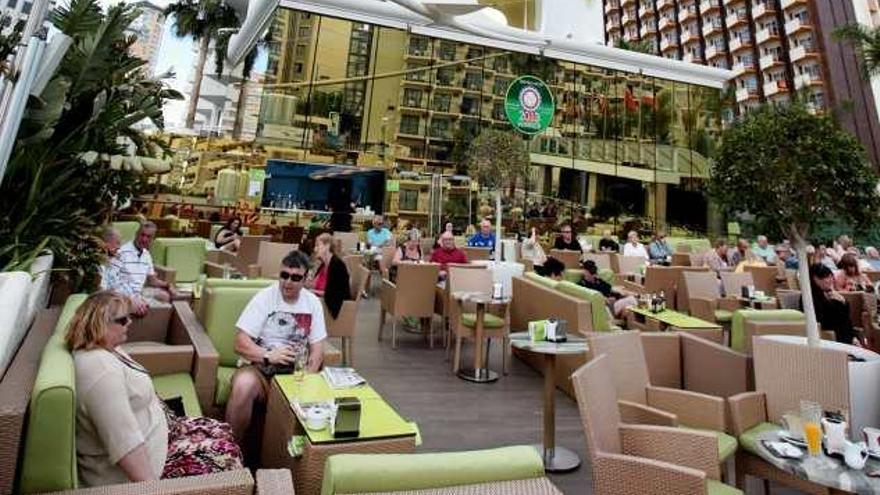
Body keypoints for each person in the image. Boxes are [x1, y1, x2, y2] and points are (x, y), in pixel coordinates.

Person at [68, 291, 242, 487]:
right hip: (146, 466)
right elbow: (125, 444)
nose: (130, 323)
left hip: (160, 435)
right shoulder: (100, 371)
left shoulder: (107, 347)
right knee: (226, 463)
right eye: (123, 320)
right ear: (100, 324)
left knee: (221, 431)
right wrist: (155, 488)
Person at [226, 250, 326, 440]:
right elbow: (239, 342)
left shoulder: (312, 303)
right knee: (243, 385)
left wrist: (309, 375)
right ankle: (231, 449)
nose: (288, 282)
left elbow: (318, 347)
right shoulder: (264, 298)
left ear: (306, 279)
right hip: (260, 371)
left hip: (295, 374)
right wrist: (268, 355)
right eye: (284, 275)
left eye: (295, 278)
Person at [117, 222, 177, 304]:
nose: (144, 239)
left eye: (148, 237)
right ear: (136, 234)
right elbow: (113, 281)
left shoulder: (146, 255)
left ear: (152, 239)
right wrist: (131, 297)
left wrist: (168, 285)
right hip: (123, 294)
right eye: (142, 235)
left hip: (139, 292)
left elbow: (152, 281)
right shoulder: (122, 252)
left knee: (165, 296)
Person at [99, 227, 148, 316]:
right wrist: (130, 302)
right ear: (106, 244)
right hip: (116, 304)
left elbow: (122, 283)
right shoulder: (100, 268)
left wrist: (136, 297)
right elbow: (104, 294)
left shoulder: (114, 263)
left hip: (128, 298)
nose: (119, 247)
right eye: (117, 243)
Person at [810, 263, 859, 345]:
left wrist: (842, 301)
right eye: (827, 277)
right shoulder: (810, 297)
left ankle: (854, 341)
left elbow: (844, 315)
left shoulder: (827, 293)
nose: (831, 280)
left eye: (831, 277)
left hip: (841, 333)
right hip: (826, 333)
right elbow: (822, 320)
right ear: (816, 279)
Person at [307, 233, 351, 318]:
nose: (315, 249)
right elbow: (313, 284)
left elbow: (332, 294)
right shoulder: (324, 265)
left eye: (317, 245)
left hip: (335, 306)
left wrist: (312, 291)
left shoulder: (337, 266)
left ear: (327, 246)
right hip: (322, 302)